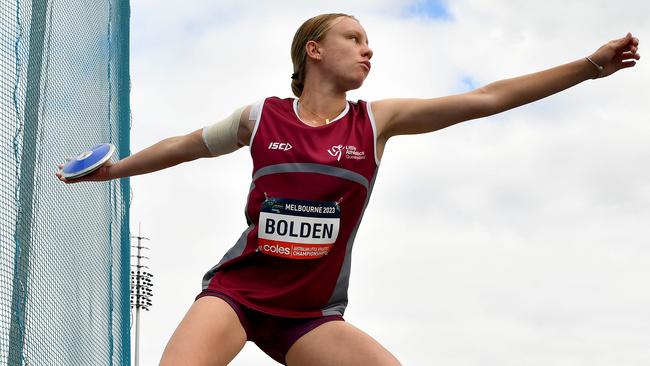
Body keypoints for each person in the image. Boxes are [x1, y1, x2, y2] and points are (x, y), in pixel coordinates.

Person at [56, 12, 640, 366]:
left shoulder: (376, 122)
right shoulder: (259, 118)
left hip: (307, 315)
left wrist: (589, 65)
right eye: (353, 37)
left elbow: (486, 98)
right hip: (235, 297)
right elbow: (184, 144)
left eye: (369, 42)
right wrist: (115, 170)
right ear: (314, 51)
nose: (368, 49)